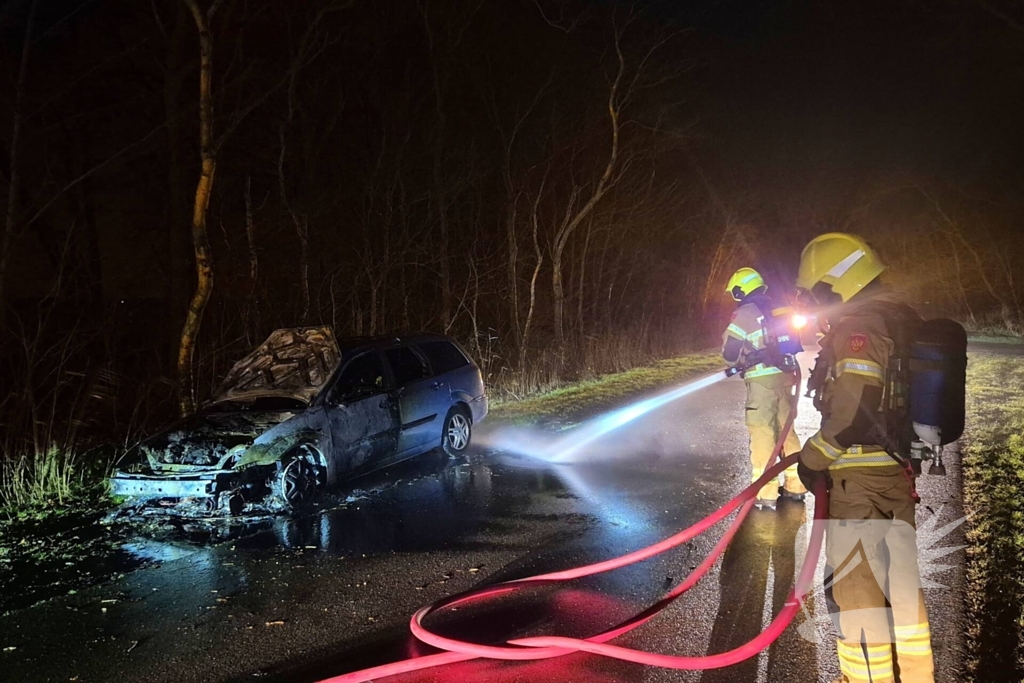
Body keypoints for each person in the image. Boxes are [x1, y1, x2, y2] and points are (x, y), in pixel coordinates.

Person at [795, 233, 934, 683]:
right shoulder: (891, 318)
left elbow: (854, 412)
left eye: (817, 292)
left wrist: (813, 458)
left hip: (860, 481)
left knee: (857, 597)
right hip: (892, 475)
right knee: (902, 589)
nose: (817, 303)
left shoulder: (861, 326)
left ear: (837, 284)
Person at [722, 267, 807, 510]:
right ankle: (796, 485)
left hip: (761, 382)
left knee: (762, 432)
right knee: (786, 430)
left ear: (742, 289)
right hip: (786, 377)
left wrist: (737, 362)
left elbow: (729, 353)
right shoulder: (779, 309)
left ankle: (764, 492)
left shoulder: (745, 313)